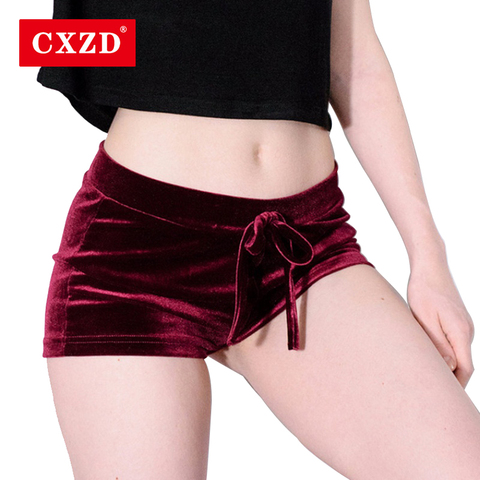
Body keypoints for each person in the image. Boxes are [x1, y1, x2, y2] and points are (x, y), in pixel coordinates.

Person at [37, 0, 480, 478]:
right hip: (135, 252)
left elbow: (354, 62)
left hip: (301, 247)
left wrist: (429, 259)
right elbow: (57, 41)